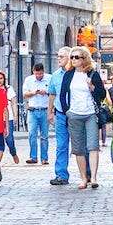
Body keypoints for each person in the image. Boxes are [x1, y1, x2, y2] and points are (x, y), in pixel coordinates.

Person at [63, 48, 108, 190]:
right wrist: (67, 111)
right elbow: (62, 94)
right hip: (74, 114)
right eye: (72, 57)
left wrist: (92, 88)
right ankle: (83, 178)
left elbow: (101, 94)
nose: (74, 59)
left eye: (77, 57)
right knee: (78, 148)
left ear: (84, 58)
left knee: (93, 146)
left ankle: (93, 177)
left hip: (90, 113)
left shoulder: (92, 74)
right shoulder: (69, 75)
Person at [48, 48, 73, 187]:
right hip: (61, 114)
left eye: (61, 56)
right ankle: (61, 174)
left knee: (80, 146)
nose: (58, 59)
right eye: (58, 56)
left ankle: (87, 173)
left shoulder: (76, 74)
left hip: (76, 114)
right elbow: (52, 94)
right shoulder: (56, 75)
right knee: (61, 145)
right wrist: (49, 112)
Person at [22, 63, 52, 165]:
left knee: (44, 136)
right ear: (33, 72)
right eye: (37, 74)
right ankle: (33, 157)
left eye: (41, 74)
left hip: (44, 110)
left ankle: (44, 158)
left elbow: (53, 92)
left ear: (43, 71)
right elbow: (25, 94)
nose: (39, 76)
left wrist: (46, 92)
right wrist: (34, 92)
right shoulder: (28, 80)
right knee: (32, 134)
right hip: (32, 110)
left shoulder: (49, 78)